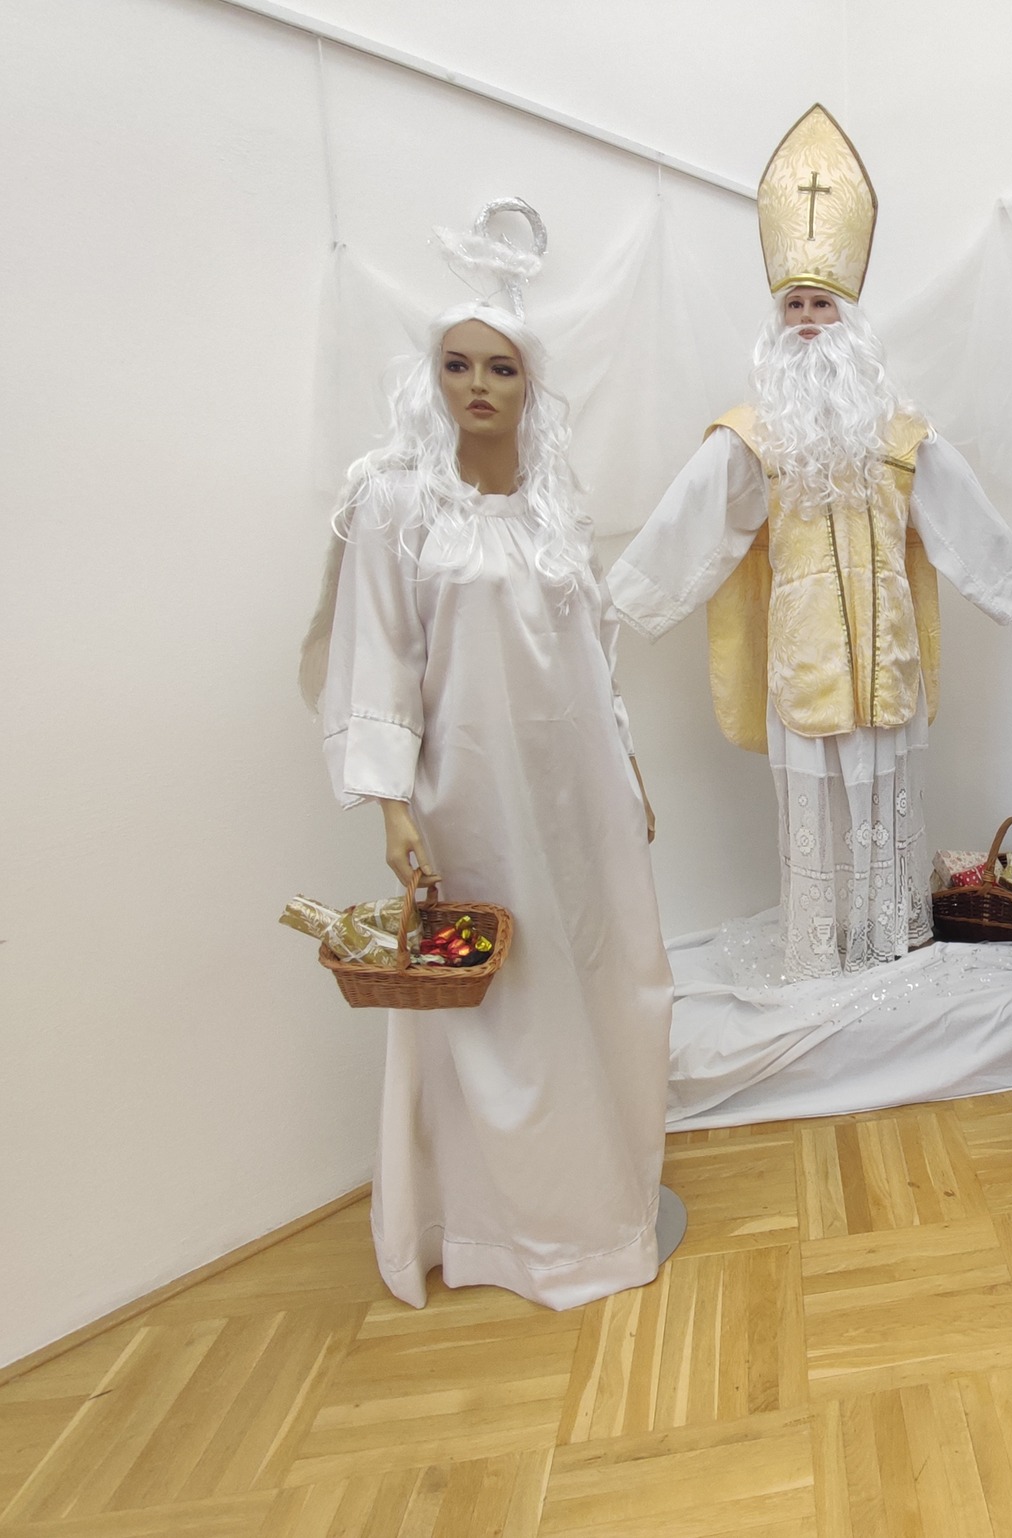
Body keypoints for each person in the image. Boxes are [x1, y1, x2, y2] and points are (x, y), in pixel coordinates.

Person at [303, 202, 673, 1307]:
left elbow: (592, 655)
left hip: (577, 791)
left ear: (529, 383)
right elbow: (376, 651)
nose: (477, 385)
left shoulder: (553, 506)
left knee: (603, 975)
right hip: (467, 797)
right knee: (495, 1004)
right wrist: (390, 804)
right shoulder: (395, 501)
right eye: (457, 364)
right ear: (432, 376)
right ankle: (503, 1229)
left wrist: (629, 770)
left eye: (500, 368)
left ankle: (600, 1195)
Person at [609, 105, 1012, 978]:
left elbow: (960, 512)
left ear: (851, 318)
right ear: (777, 322)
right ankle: (820, 944)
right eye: (795, 304)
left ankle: (885, 937)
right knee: (814, 804)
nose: (809, 318)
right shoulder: (756, 435)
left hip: (887, 656)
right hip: (806, 655)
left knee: (887, 790)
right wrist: (625, 599)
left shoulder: (899, 433)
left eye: (822, 303)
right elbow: (693, 514)